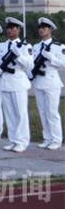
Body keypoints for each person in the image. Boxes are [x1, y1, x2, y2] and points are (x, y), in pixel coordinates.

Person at [0, 17, 33, 153]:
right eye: (8, 28)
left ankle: (22, 141)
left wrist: (18, 56)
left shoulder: (25, 47)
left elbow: (29, 65)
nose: (10, 30)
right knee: (9, 113)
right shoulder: (1, 46)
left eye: (13, 28)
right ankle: (13, 140)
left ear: (19, 30)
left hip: (18, 82)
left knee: (20, 113)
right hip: (5, 82)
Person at [30, 17, 65, 150]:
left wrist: (51, 57)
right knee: (43, 111)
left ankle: (56, 139)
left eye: (44, 28)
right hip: (39, 82)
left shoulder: (58, 46)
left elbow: (63, 62)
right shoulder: (36, 46)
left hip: (52, 83)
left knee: (52, 112)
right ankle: (47, 138)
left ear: (50, 29)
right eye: (40, 28)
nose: (41, 30)